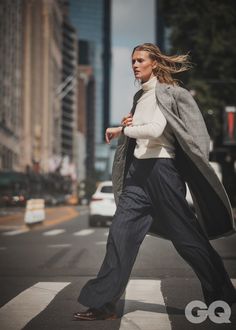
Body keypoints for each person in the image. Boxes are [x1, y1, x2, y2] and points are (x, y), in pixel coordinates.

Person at [73, 43, 236, 321]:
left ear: (155, 64)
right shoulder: (140, 96)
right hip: (138, 176)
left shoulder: (168, 92)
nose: (135, 65)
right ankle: (102, 304)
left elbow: (156, 129)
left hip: (163, 171)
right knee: (120, 236)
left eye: (140, 60)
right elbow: (141, 130)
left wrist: (122, 128)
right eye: (133, 61)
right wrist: (130, 125)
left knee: (187, 239)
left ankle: (223, 295)